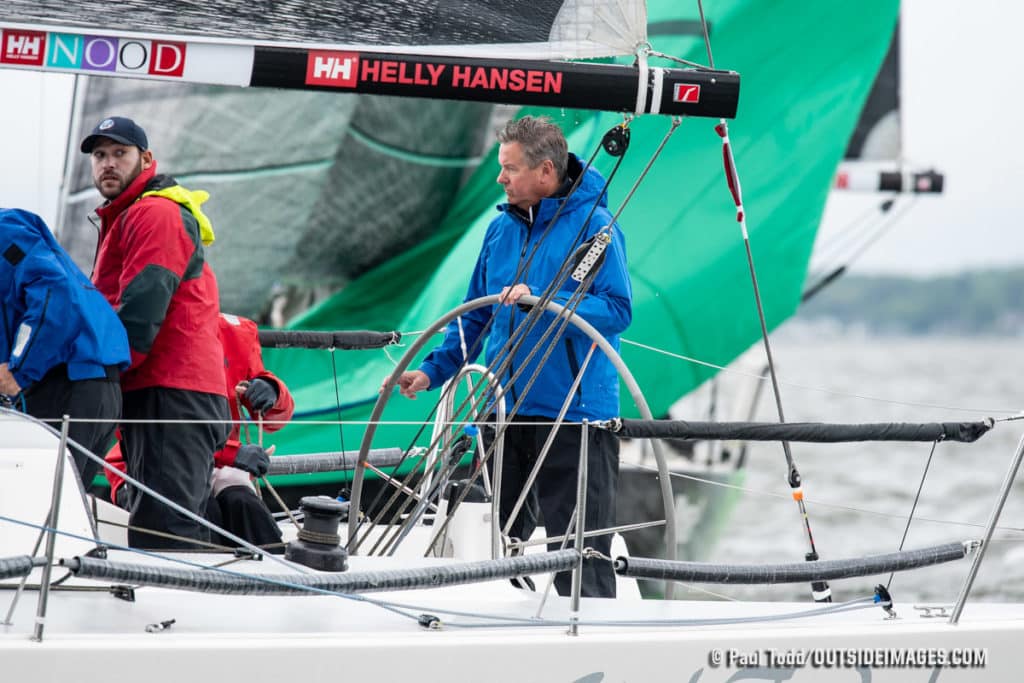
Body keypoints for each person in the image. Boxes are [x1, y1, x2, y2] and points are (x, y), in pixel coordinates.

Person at [395, 116, 632, 597]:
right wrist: (431, 372)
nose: (500, 179)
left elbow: (617, 308)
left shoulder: (598, 229)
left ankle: (593, 646)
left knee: (580, 549)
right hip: (503, 407)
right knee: (497, 540)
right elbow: (474, 317)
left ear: (545, 172)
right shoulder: (499, 230)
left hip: (573, 416)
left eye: (509, 169)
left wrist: (543, 300)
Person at [83, 116, 230, 550]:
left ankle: (169, 614)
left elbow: (142, 308)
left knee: (167, 534)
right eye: (99, 156)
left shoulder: (155, 213)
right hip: (165, 388)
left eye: (119, 153)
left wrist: (99, 377)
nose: (108, 164)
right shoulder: (134, 214)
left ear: (146, 159)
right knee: (165, 521)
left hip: (172, 389)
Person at [105, 313, 295, 551]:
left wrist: (272, 391)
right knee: (203, 514)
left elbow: (276, 420)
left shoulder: (236, 334)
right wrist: (232, 454)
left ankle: (280, 577)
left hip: (219, 462)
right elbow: (164, 435)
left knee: (244, 504)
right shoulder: (148, 334)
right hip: (150, 464)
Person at [0, 207, 129, 484]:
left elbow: (52, 290)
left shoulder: (4, 232)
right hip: (83, 384)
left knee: (40, 506)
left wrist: (18, 369)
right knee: (50, 509)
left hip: (68, 384)